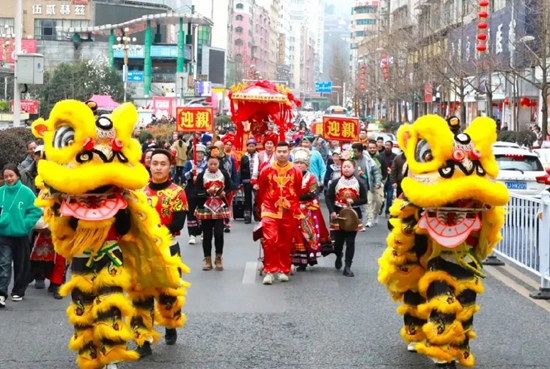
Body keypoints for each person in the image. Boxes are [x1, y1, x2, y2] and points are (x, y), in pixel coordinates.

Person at [133, 148, 189, 358]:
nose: (158, 167)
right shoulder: (139, 192)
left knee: (168, 294)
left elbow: (178, 221)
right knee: (142, 295)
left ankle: (170, 324)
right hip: (142, 250)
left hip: (168, 249)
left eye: (162, 163)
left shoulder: (177, 192)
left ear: (169, 166)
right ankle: (143, 339)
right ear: (149, 165)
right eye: (154, 163)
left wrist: (157, 234)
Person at [256, 142, 302, 285]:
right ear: (275, 152)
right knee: (270, 240)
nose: (282, 154)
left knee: (285, 242)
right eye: (279, 151)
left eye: (284, 151)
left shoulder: (296, 170)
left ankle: (283, 269)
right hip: (270, 209)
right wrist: (263, 207)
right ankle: (269, 270)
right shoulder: (266, 169)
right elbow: (262, 190)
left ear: (289, 153)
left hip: (289, 211)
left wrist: (292, 205)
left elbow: (297, 190)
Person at [0, 164, 42, 307]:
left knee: (21, 264)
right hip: (3, 234)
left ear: (17, 175)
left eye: (11, 175)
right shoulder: (1, 192)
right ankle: (1, 293)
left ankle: (18, 291)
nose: (9, 179)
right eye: (6, 176)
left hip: (21, 234)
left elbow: (35, 211)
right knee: (4, 263)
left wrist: (25, 224)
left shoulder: (27, 192)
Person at [325, 159, 368, 277]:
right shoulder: (336, 182)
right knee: (337, 243)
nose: (346, 169)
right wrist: (332, 211)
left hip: (353, 216)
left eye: (349, 167)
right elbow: (328, 197)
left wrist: (353, 202)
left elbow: (365, 199)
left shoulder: (359, 183)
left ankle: (348, 266)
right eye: (344, 167)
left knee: (350, 241)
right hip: (339, 214)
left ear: (354, 168)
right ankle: (339, 255)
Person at [291, 148, 332, 270]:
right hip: (294, 207)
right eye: (297, 163)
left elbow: (312, 193)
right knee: (295, 233)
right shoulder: (291, 176)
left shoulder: (312, 177)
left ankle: (310, 256)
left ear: (307, 165)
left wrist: (296, 197)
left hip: (308, 208)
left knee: (308, 233)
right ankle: (298, 259)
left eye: (302, 163)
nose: (299, 165)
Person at [195, 147, 232, 271]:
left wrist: (224, 193)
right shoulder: (201, 176)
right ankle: (207, 259)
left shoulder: (224, 174)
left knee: (219, 233)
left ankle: (218, 257)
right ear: (207, 163)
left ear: (219, 164)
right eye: (210, 164)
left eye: (215, 164)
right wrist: (207, 191)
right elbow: (196, 193)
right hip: (206, 208)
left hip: (220, 208)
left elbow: (230, 188)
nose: (213, 166)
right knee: (207, 235)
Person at [351, 142, 382, 229]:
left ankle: (372, 217)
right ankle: (363, 221)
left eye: (355, 151)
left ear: (360, 152)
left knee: (371, 203)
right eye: (353, 151)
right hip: (354, 186)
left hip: (366, 185)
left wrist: (377, 183)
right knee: (358, 205)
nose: (354, 153)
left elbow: (376, 172)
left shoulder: (368, 160)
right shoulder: (350, 159)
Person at [183, 143, 207, 244]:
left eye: (201, 153)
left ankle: (202, 232)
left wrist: (200, 177)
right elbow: (184, 175)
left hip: (202, 190)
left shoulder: (207, 164)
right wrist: (191, 173)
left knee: (202, 211)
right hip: (191, 190)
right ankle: (192, 234)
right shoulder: (189, 163)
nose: (199, 155)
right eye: (197, 153)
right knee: (191, 211)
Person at [239, 139, 260, 224]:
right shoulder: (244, 156)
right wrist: (240, 182)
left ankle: (257, 214)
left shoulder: (259, 156)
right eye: (249, 146)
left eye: (253, 146)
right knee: (247, 199)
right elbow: (241, 169)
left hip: (256, 181)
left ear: (255, 146)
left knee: (258, 198)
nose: (251, 147)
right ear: (247, 147)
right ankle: (247, 216)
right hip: (246, 180)